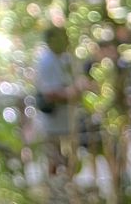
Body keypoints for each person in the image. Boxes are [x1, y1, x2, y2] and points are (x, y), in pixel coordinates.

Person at [35, 26, 82, 176]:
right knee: (54, 160)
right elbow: (49, 94)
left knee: (70, 160)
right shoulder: (47, 61)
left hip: (66, 122)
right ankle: (54, 194)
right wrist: (71, 92)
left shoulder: (64, 58)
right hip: (53, 124)